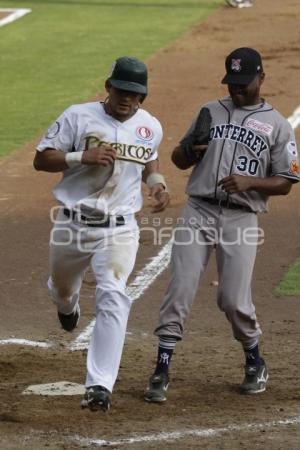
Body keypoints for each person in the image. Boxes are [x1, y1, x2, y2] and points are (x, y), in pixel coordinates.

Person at [144, 47, 300, 403]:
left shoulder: (276, 125)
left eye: (244, 84)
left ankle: (254, 359)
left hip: (240, 217)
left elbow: (287, 181)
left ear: (261, 78)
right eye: (232, 84)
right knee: (180, 288)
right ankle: (162, 368)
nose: (236, 90)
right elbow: (179, 157)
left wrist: (250, 183)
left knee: (232, 299)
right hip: (198, 210)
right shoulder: (210, 111)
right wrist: (189, 153)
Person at [33, 56, 169, 412]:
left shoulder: (150, 125)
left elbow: (149, 158)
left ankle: (99, 385)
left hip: (120, 228)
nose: (127, 99)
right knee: (63, 291)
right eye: (121, 91)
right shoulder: (78, 116)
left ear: (143, 96)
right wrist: (82, 157)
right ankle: (66, 304)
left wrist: (156, 182)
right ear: (108, 87)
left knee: (113, 293)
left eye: (135, 94)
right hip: (72, 224)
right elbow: (42, 159)